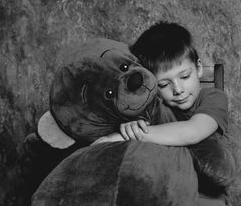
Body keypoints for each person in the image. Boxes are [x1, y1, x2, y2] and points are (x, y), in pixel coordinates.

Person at [93, 21, 228, 146]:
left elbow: (192, 133)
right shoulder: (155, 105)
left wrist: (128, 136)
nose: (178, 90)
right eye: (163, 84)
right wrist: (136, 126)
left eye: (185, 76)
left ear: (198, 68)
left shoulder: (214, 98)